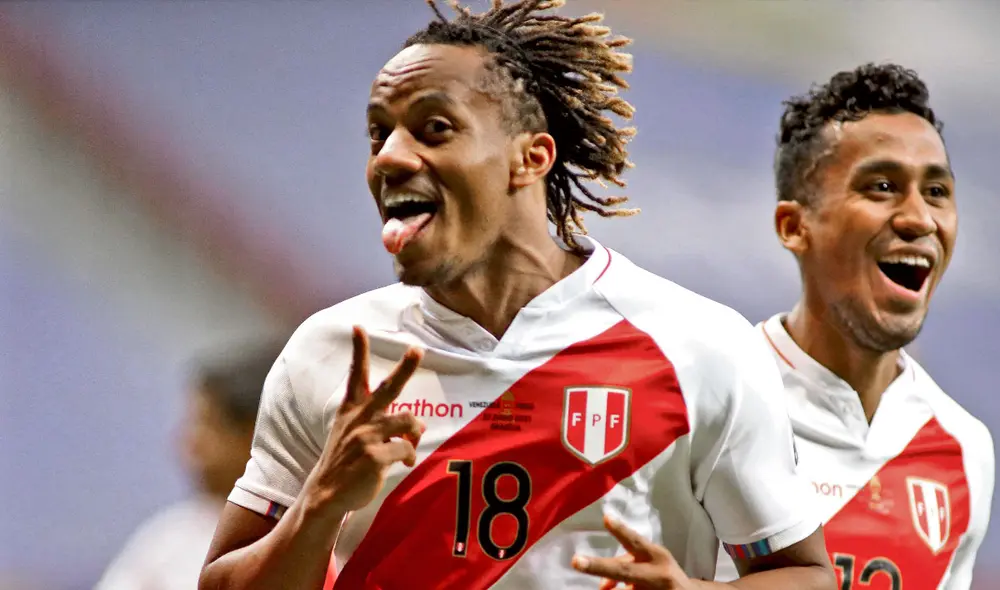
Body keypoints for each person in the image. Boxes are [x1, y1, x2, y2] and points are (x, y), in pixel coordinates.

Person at [199, 1, 835, 589]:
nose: (388, 157)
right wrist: (320, 503)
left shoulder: (697, 344)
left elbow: (807, 576)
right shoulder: (331, 352)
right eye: (377, 134)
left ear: (530, 159)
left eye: (433, 128)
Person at [714, 63, 995, 589]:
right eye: (883, 186)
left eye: (937, 191)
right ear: (795, 226)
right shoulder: (715, 396)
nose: (920, 219)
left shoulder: (964, 446)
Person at [95, 342, 282, 590]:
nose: (189, 444)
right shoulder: (168, 543)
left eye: (206, 425)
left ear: (255, 436)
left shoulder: (322, 539)